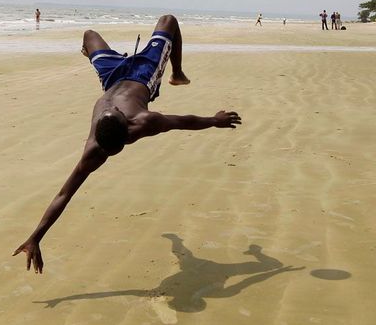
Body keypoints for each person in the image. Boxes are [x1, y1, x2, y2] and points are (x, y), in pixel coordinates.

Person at [13, 14, 242, 273]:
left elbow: (183, 120)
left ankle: (177, 74)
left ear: (129, 130)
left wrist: (214, 120)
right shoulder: (93, 149)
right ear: (98, 139)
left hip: (138, 75)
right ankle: (125, 59)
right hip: (114, 79)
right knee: (108, 32)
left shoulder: (142, 121)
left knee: (158, 22)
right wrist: (36, 237)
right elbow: (64, 195)